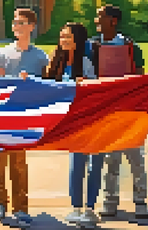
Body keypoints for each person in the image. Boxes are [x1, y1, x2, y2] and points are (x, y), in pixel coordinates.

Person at [0, 8, 48, 228]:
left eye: (21, 23)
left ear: (32, 26)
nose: (16, 26)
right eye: (15, 22)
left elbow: (46, 87)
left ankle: (21, 207)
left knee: (19, 162)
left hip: (25, 117)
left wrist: (30, 81)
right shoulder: (1, 54)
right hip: (2, 116)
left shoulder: (40, 56)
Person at [90, 5, 148, 219]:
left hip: (130, 110)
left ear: (113, 21)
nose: (96, 20)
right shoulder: (92, 46)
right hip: (106, 111)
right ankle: (109, 201)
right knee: (110, 159)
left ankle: (140, 201)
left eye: (100, 16)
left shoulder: (131, 47)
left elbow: (141, 76)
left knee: (136, 159)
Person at [47, 23, 102, 228]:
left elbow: (98, 88)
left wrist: (86, 82)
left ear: (77, 40)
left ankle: (90, 208)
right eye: (61, 37)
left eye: (68, 37)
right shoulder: (56, 62)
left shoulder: (86, 62)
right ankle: (76, 207)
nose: (63, 41)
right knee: (76, 165)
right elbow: (46, 85)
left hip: (92, 121)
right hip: (73, 123)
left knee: (94, 165)